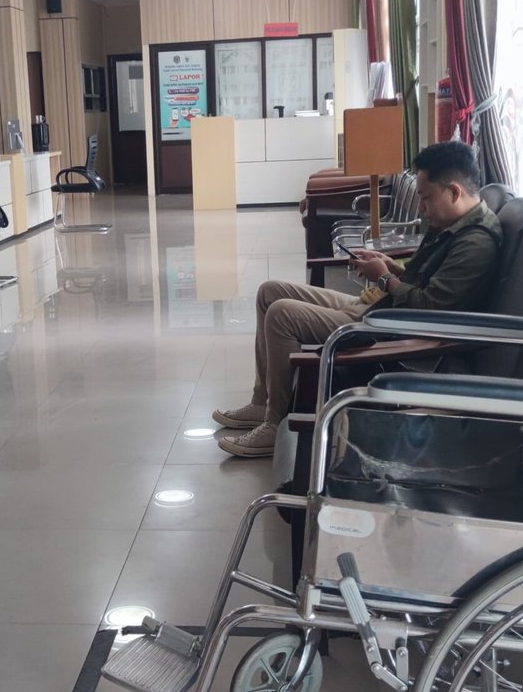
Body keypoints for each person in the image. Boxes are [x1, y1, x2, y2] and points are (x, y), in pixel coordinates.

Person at [213, 141, 503, 458]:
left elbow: (429, 308)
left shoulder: (475, 243)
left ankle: (274, 423)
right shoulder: (453, 223)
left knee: (282, 314)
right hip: (379, 305)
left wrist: (384, 278)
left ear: (455, 192)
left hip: (387, 324)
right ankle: (261, 401)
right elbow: (422, 279)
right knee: (269, 291)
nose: (422, 208)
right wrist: (391, 266)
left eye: (426, 198)